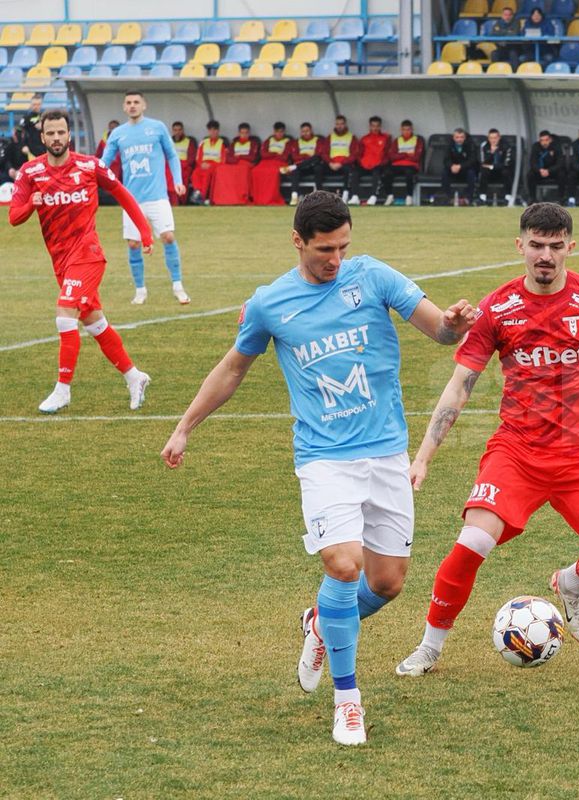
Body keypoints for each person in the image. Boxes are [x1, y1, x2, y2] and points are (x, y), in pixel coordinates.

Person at [159, 191, 481, 746]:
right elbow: (233, 368)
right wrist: (186, 425)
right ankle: (348, 700)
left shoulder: (373, 277)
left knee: (387, 583)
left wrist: (453, 322)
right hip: (324, 458)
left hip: (386, 451)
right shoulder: (269, 304)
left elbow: (441, 331)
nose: (335, 259)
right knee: (342, 564)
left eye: (343, 247)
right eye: (324, 249)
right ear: (297, 241)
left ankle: (319, 623)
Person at [395, 203, 579, 678]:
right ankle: (429, 646)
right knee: (472, 542)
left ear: (570, 248)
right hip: (517, 453)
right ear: (519, 245)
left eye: (555, 246)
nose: (545, 255)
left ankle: (570, 583)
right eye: (536, 245)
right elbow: (460, 385)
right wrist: (423, 457)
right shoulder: (497, 308)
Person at [8, 109, 154, 414]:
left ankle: (62, 390)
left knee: (64, 316)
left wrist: (144, 231)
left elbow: (121, 192)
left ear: (69, 135)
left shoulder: (89, 165)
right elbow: (13, 217)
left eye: (62, 132)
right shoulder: (30, 172)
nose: (57, 138)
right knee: (94, 322)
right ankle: (134, 376)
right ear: (43, 137)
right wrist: (31, 206)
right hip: (60, 261)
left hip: (88, 256)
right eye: (51, 133)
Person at [100, 90, 189, 305]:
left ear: (144, 105)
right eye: (128, 102)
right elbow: (103, 163)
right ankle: (140, 290)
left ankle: (178, 286)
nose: (132, 106)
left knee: (168, 236)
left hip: (157, 196)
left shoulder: (157, 127)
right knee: (133, 244)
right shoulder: (118, 133)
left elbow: (171, 155)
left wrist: (177, 179)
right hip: (131, 199)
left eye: (136, 102)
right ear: (124, 107)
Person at [211, 122, 259, 206]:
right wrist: (237, 159)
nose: (244, 135)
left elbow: (252, 157)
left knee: (243, 170)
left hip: (246, 164)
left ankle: (240, 197)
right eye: (242, 133)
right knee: (221, 169)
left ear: (249, 133)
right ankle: (223, 197)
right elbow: (228, 157)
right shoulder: (234, 143)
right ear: (239, 133)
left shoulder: (253, 143)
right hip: (235, 163)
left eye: (246, 133)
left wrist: (239, 156)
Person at [350, 115, 391, 206]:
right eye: (373, 125)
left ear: (380, 126)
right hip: (365, 165)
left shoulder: (385, 138)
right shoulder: (364, 139)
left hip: (378, 165)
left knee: (377, 172)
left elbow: (387, 154)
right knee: (355, 172)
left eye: (377, 126)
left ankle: (373, 197)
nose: (375, 128)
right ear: (370, 126)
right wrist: (361, 163)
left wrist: (381, 163)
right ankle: (355, 197)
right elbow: (359, 154)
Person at [283, 121, 326, 205]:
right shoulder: (296, 142)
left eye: (307, 131)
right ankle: (294, 196)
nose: (305, 133)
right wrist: (306, 156)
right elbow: (295, 156)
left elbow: (318, 154)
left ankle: (319, 195)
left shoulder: (318, 140)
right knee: (295, 171)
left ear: (311, 131)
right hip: (302, 167)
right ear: (301, 132)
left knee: (317, 163)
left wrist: (304, 157)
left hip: (313, 166)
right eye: (303, 131)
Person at [251, 122, 291, 206]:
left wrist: (271, 154)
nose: (279, 134)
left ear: (284, 132)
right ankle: (258, 199)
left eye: (281, 132)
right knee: (255, 171)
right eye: (277, 131)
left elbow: (285, 156)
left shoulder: (287, 141)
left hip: (280, 163)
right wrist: (276, 154)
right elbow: (263, 154)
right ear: (274, 132)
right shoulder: (268, 140)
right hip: (266, 162)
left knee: (273, 172)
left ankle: (271, 198)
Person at [190, 120, 228, 205]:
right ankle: (198, 192)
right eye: (211, 130)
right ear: (208, 131)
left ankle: (202, 196)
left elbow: (223, 160)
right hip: (203, 165)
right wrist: (201, 164)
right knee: (195, 173)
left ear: (218, 131)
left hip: (215, 166)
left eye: (215, 130)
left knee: (207, 175)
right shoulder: (203, 142)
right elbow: (198, 157)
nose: (213, 132)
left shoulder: (222, 143)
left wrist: (211, 165)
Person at [325, 115, 360, 203]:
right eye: (337, 124)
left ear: (345, 124)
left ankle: (345, 195)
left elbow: (354, 154)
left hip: (344, 163)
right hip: (331, 164)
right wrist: (330, 163)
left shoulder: (352, 137)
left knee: (349, 169)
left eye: (341, 124)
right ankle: (319, 196)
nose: (339, 126)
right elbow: (324, 153)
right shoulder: (330, 137)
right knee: (318, 169)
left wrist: (341, 163)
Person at [477, 128, 515, 206]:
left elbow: (507, 163)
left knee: (506, 172)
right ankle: (482, 197)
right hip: (489, 172)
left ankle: (508, 197)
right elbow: (482, 162)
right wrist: (491, 153)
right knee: (483, 171)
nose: (493, 140)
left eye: (495, 138)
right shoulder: (484, 146)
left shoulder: (506, 146)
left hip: (501, 171)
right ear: (488, 138)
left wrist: (492, 166)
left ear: (499, 138)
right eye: (491, 138)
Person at [440, 128, 478, 205]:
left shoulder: (471, 145)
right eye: (457, 137)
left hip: (465, 169)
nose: (459, 139)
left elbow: (472, 160)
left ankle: (468, 198)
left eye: (461, 137)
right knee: (444, 173)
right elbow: (446, 160)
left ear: (465, 137)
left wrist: (460, 166)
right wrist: (452, 166)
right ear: (453, 138)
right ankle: (449, 198)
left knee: (471, 173)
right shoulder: (449, 145)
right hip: (453, 170)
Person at [527, 130, 565, 204]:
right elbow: (532, 162)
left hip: (553, 171)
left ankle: (561, 199)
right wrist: (539, 170)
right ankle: (533, 199)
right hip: (540, 171)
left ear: (550, 140)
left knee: (562, 174)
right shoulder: (535, 146)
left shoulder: (556, 146)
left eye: (546, 140)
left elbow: (560, 163)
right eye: (542, 140)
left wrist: (549, 171)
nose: (544, 143)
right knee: (530, 174)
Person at [168, 121, 196, 206]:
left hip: (184, 166)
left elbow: (191, 158)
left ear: (182, 130)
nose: (177, 132)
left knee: (184, 175)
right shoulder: (168, 141)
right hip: (170, 166)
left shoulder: (189, 142)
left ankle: (181, 201)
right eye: (175, 130)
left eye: (179, 130)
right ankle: (171, 200)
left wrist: (182, 164)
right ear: (172, 131)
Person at [19, 95, 45, 160]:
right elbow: (19, 132)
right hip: (30, 150)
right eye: (34, 104)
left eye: (38, 104)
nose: (36, 106)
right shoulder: (26, 117)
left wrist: (43, 126)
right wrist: (23, 146)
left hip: (44, 149)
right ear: (31, 105)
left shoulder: (45, 116)